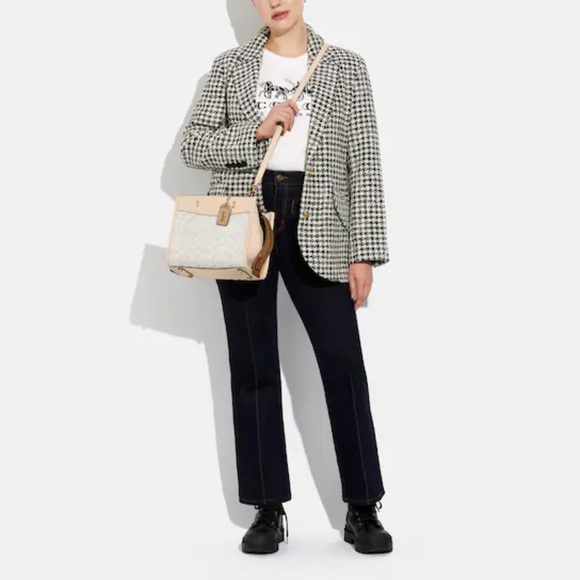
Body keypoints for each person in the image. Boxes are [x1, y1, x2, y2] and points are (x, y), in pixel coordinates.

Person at [180, 0, 392, 555]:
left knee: (343, 364)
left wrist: (365, 252)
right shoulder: (229, 67)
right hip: (246, 222)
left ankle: (362, 506)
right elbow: (193, 144)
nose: (275, 0)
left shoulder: (346, 66)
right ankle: (266, 507)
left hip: (322, 224)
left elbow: (365, 162)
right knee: (252, 367)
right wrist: (254, 132)